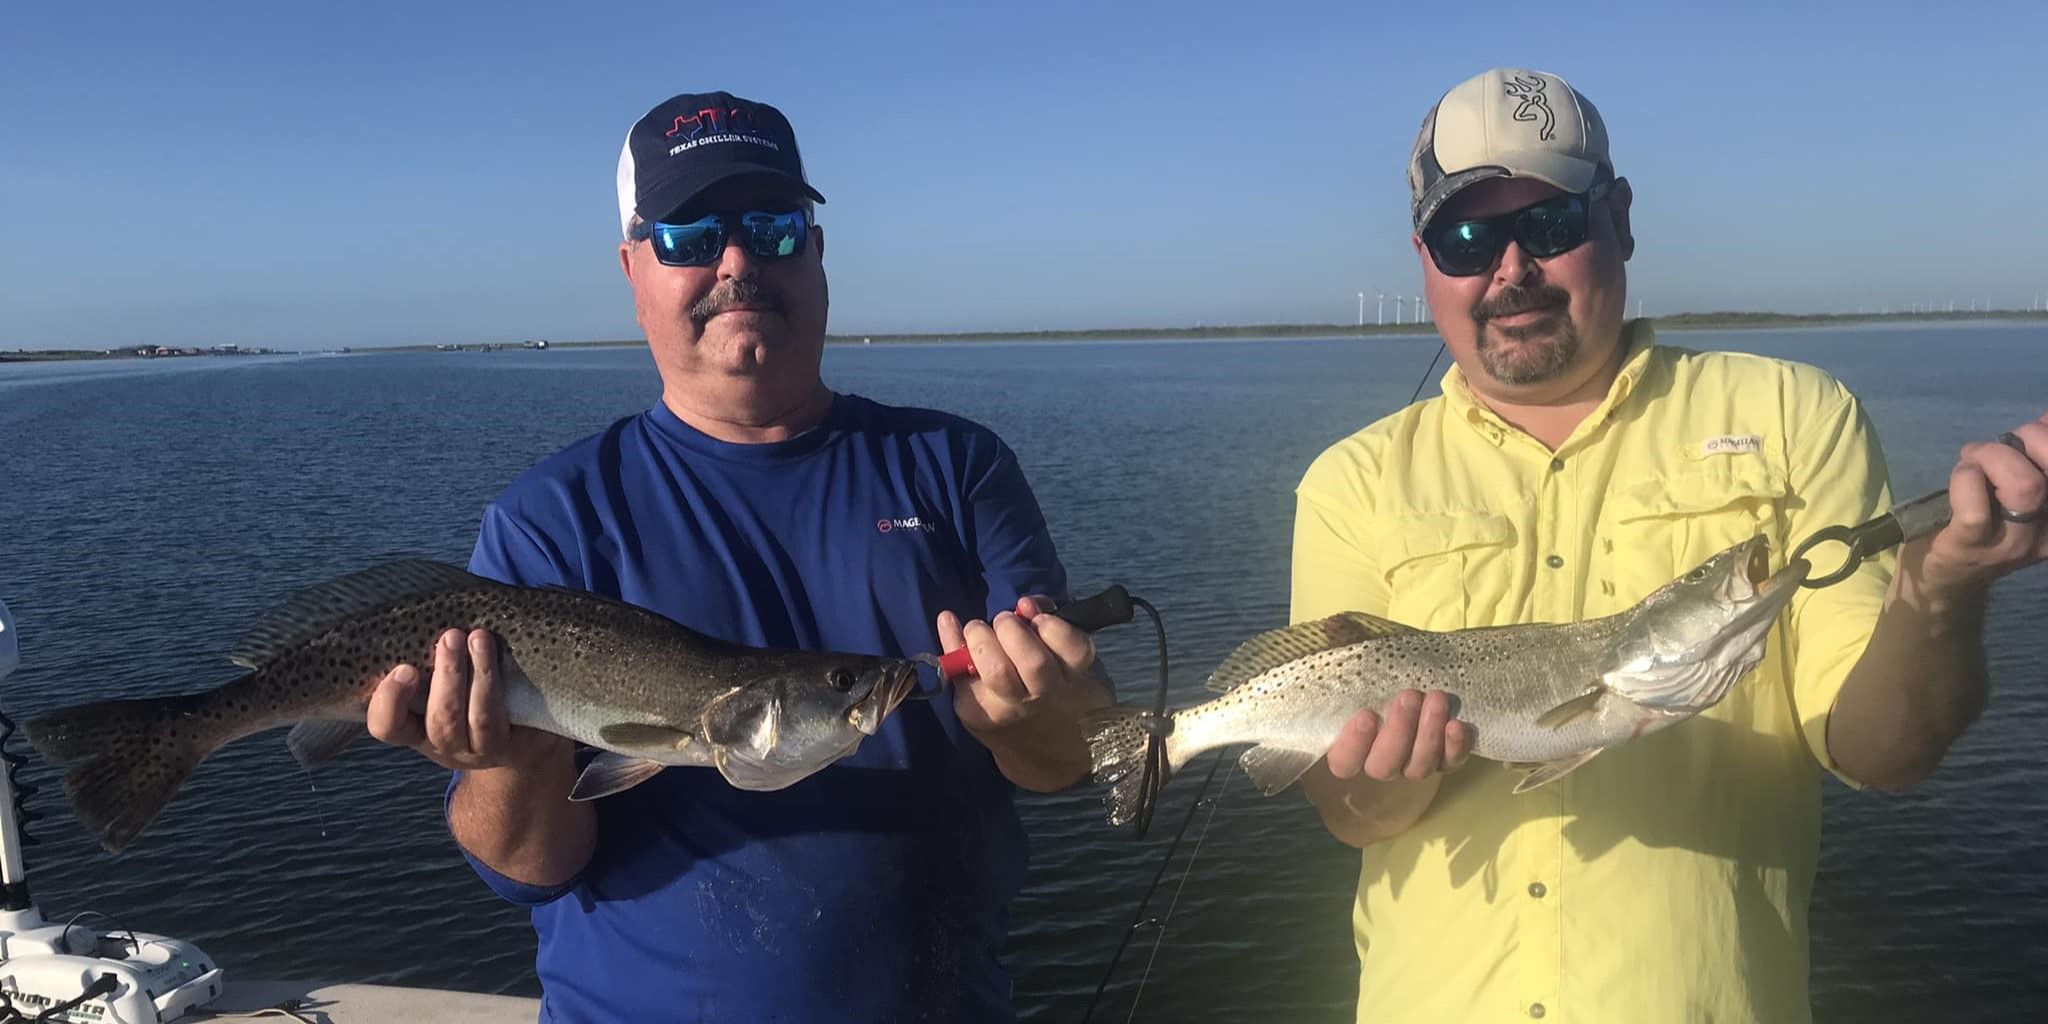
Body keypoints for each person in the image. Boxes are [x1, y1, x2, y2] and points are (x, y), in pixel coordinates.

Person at [1289, 67, 2047, 1022]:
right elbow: (1353, 821)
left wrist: (1941, 591)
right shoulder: (1347, 482)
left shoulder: (1795, 415)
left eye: (1552, 223)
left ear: (1622, 218)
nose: (1511, 266)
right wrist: (1387, 778)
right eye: (1467, 237)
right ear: (1426, 260)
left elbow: (1885, 753)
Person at [361, 90, 1113, 1023]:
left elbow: (1060, 759)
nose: (738, 262)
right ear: (633, 270)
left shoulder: (958, 469)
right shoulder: (550, 519)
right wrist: (506, 761)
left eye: (773, 227)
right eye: (689, 235)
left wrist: (1031, 715)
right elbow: (529, 869)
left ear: (819, 250)